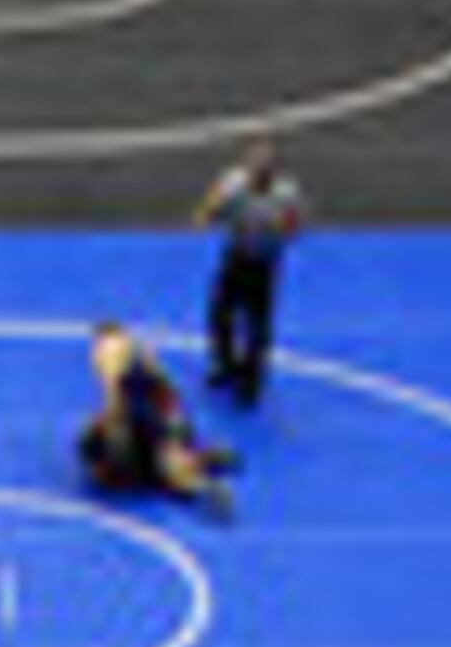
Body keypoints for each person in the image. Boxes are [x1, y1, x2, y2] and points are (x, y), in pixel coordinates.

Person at [76, 320, 233, 509]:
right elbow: (164, 386)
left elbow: (115, 395)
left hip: (148, 419)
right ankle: (195, 461)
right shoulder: (134, 348)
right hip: (161, 415)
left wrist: (112, 433)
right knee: (162, 453)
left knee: (153, 468)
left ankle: (197, 476)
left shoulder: (107, 354)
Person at [196, 144, 304, 407]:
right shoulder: (233, 185)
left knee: (257, 324)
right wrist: (215, 205)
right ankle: (224, 364)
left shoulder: (286, 195)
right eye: (255, 173)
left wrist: (277, 227)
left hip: (264, 262)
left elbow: (293, 230)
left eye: (264, 174)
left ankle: (251, 382)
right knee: (219, 313)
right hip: (237, 256)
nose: (259, 178)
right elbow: (204, 216)